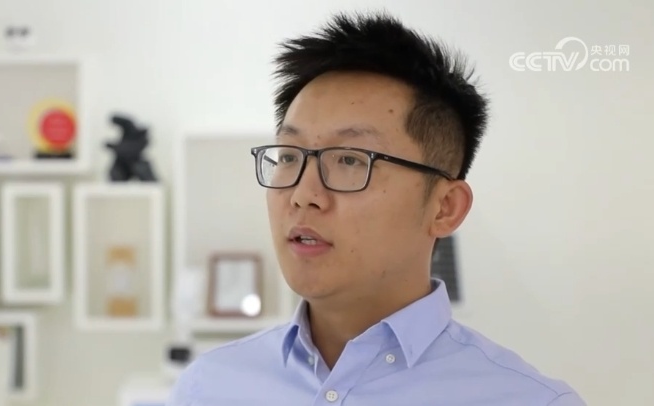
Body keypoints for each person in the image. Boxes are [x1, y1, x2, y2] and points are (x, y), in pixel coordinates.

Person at [166, 10, 585, 406]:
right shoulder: (208, 388)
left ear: (445, 207)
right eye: (289, 156)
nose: (303, 194)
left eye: (350, 160)